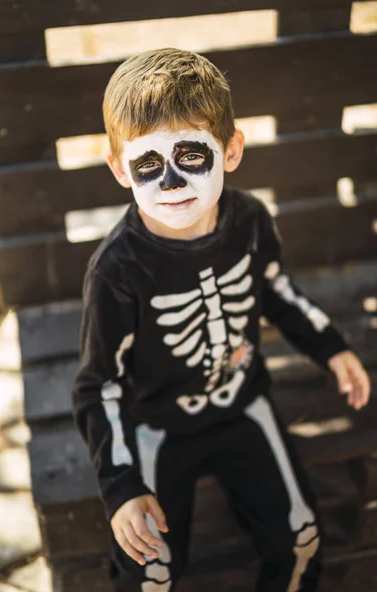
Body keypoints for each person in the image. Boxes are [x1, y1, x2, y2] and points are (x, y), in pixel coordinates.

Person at [71, 48, 370, 592]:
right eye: (147, 166)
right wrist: (120, 486)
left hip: (242, 405)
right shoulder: (117, 270)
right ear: (120, 170)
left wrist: (331, 347)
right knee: (151, 570)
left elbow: (278, 290)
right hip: (155, 425)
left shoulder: (250, 221)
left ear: (230, 151)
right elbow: (99, 385)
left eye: (190, 155)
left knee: (301, 537)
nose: (171, 182)